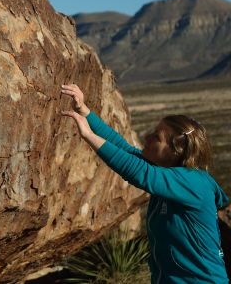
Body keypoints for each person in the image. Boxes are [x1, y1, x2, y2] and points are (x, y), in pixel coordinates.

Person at [60, 83, 229, 283]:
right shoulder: (167, 174)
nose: (147, 137)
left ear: (177, 150)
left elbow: (139, 173)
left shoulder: (194, 182)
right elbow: (124, 148)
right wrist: (84, 110)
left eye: (157, 137)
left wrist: (88, 135)